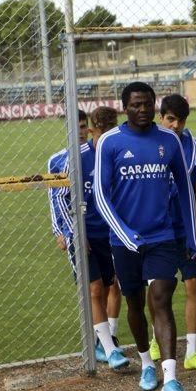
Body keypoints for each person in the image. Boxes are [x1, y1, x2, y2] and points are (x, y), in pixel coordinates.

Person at [94, 81, 196, 391]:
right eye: (135, 105)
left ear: (154, 104)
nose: (142, 110)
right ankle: (145, 363)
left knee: (161, 298)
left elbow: (185, 191)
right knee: (135, 304)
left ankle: (171, 378)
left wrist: (193, 237)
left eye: (147, 104)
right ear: (125, 107)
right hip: (123, 241)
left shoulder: (169, 140)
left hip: (162, 236)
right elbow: (101, 195)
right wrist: (125, 235)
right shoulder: (110, 142)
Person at [47, 108, 127, 369]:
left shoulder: (116, 153)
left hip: (109, 233)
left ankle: (103, 340)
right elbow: (59, 196)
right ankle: (110, 349)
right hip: (84, 235)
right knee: (93, 289)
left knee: (108, 287)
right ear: (93, 131)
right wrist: (70, 232)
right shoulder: (76, 158)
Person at [145, 94, 196, 372]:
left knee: (193, 286)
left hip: (187, 231)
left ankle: (192, 352)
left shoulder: (194, 148)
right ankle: (155, 340)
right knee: (158, 289)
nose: (176, 125)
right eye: (171, 119)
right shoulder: (148, 145)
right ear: (161, 118)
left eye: (181, 120)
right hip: (158, 231)